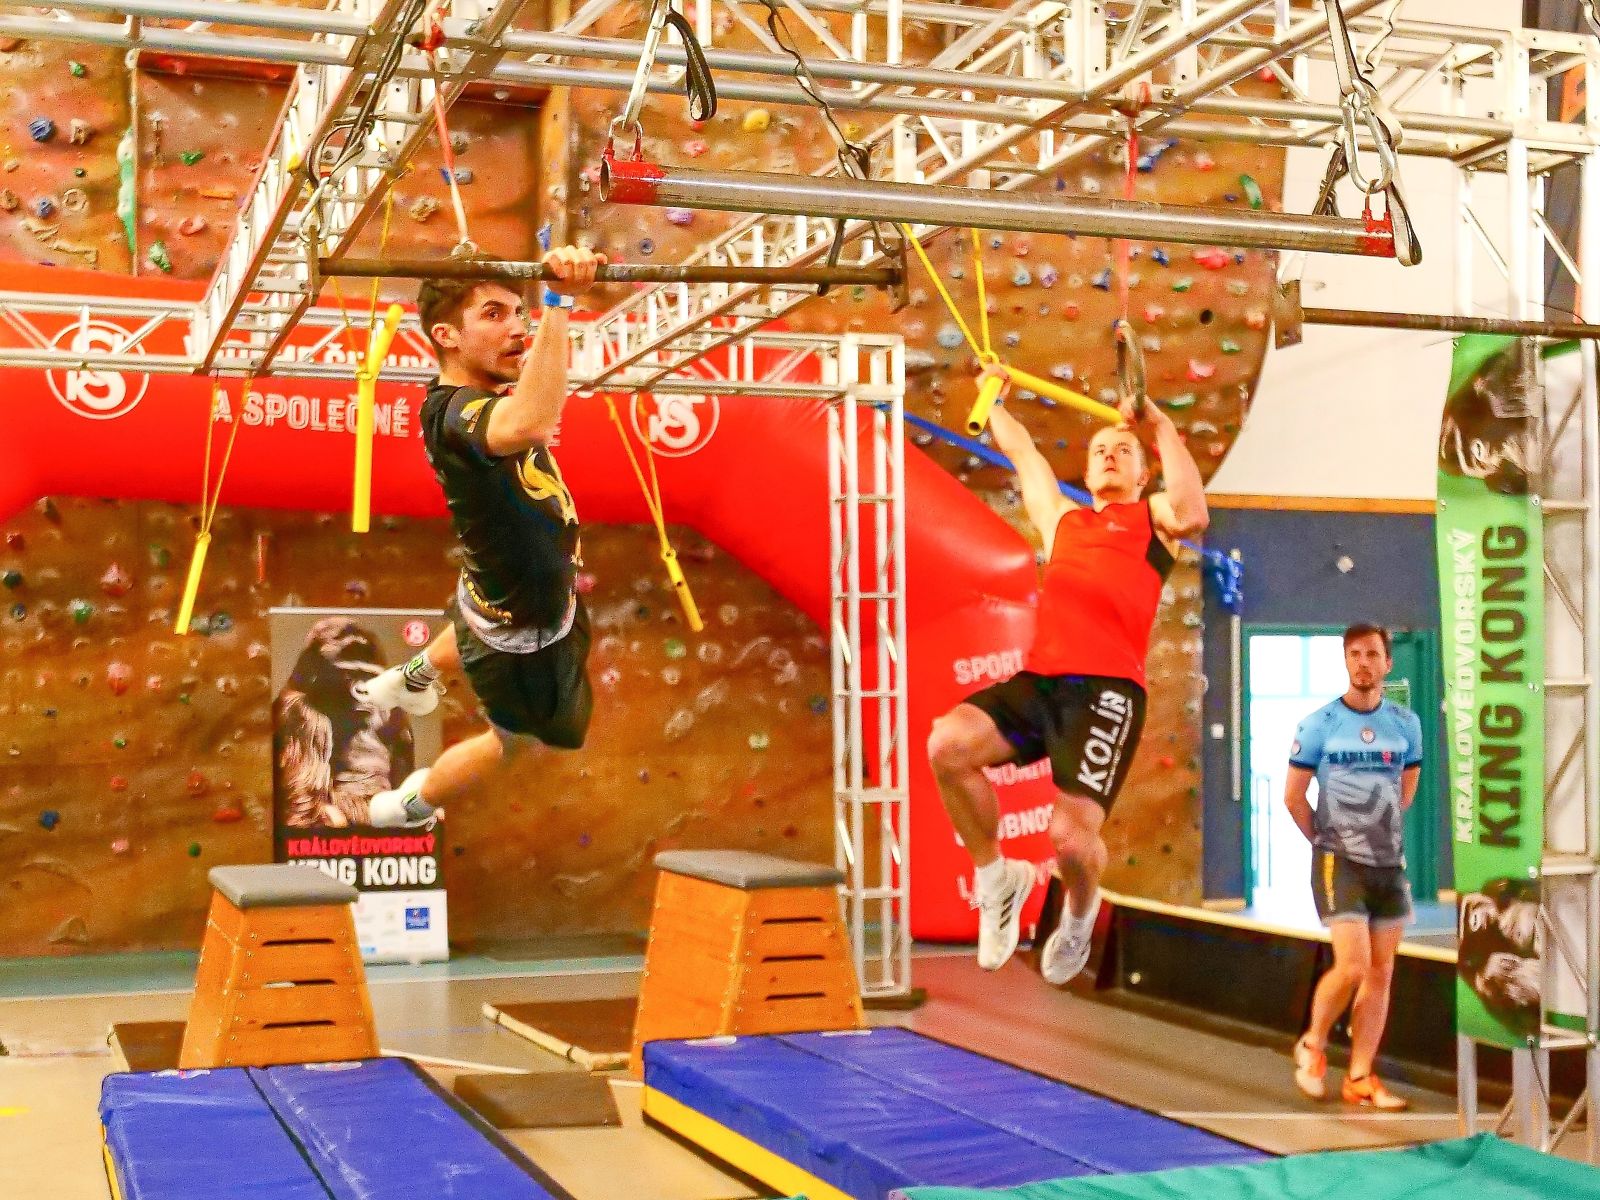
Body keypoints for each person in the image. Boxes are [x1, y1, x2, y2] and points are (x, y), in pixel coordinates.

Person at [926, 369, 1208, 984]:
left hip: (1107, 692)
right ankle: (996, 879)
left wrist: (1159, 426)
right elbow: (1024, 454)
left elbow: (1192, 511)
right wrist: (993, 397)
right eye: (1100, 449)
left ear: (1143, 474)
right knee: (947, 744)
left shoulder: (1153, 521)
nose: (1109, 456)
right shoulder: (1063, 521)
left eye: (1123, 450)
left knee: (1071, 841)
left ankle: (1079, 914)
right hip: (1042, 682)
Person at [356, 243, 606, 828]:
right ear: (446, 336)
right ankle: (412, 804)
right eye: (494, 315)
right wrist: (558, 303)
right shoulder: (453, 414)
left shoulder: (479, 402)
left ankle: (410, 680)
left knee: (479, 616)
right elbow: (533, 420)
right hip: (524, 635)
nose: (518, 328)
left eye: (519, 313)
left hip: (500, 590)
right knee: (512, 741)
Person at [1286, 623, 1423, 1111]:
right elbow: (1294, 797)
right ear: (1346, 661)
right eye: (1355, 654)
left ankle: (1360, 1076)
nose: (1363, 663)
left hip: (1389, 865)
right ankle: (1313, 1044)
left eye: (1372, 655)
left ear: (1388, 663)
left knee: (1381, 972)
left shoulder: (1406, 724)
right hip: (1337, 862)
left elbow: (1407, 787)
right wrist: (1327, 843)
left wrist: (1381, 830)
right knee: (1353, 965)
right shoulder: (1318, 724)